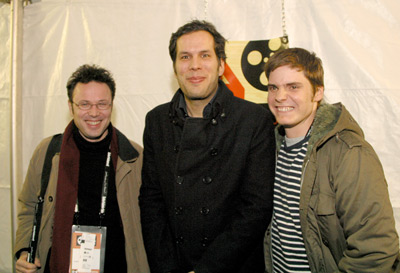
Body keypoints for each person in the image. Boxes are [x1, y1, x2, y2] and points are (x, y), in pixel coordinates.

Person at [139, 20, 276, 273]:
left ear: (221, 64)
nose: (194, 66)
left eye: (205, 55)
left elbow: (256, 208)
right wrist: (166, 267)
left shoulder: (253, 120)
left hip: (232, 266)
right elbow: (151, 201)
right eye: (185, 57)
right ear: (175, 67)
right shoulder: (156, 121)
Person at [263, 47, 399, 272]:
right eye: (273, 87)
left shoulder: (349, 153)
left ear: (317, 93)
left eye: (293, 87)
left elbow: (376, 248)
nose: (279, 96)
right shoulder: (268, 147)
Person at [14, 64, 150, 273]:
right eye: (84, 104)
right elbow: (29, 206)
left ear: (112, 106)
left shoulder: (135, 157)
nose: (94, 113)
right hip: (59, 265)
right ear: (71, 107)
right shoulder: (48, 152)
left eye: (102, 104)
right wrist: (24, 249)